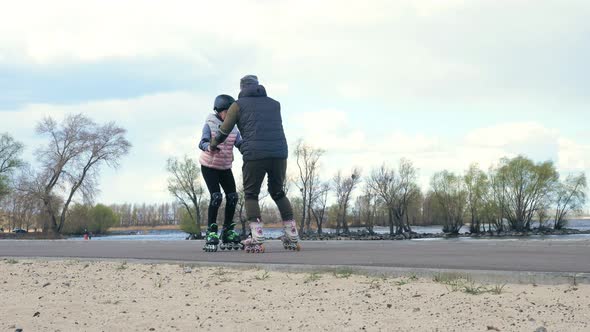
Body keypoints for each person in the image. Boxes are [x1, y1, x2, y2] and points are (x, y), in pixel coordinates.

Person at [210, 75, 300, 253]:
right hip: (279, 153)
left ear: (242, 88)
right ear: (258, 86)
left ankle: (257, 236)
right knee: (278, 192)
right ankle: (292, 234)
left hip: (255, 155)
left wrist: (213, 144)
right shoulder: (275, 104)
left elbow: (225, 130)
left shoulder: (237, 105)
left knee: (251, 194)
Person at [198, 94, 243, 252]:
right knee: (216, 196)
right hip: (209, 166)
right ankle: (211, 232)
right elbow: (201, 143)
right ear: (219, 111)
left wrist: (248, 149)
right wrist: (210, 146)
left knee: (233, 197)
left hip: (225, 167)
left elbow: (239, 143)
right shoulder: (209, 125)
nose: (230, 116)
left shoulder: (234, 127)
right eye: (227, 112)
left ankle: (227, 232)